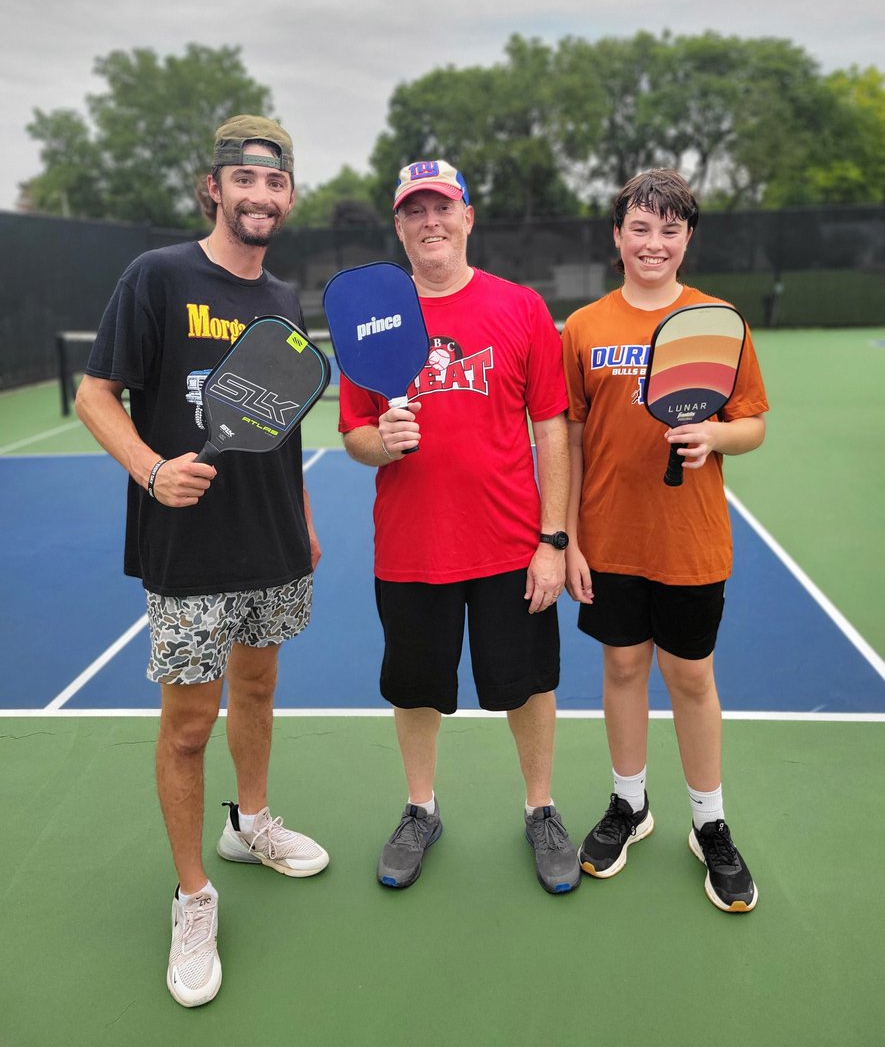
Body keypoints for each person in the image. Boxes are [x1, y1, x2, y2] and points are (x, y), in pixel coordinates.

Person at [76, 115, 329, 1007]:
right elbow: (94, 394)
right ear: (213, 188)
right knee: (187, 727)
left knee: (257, 692)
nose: (261, 196)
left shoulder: (287, 301)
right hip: (187, 553)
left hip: (273, 546)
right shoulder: (158, 277)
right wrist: (149, 469)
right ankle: (193, 896)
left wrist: (300, 519)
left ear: (288, 196)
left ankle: (250, 822)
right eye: (244, 180)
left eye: (276, 183)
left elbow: (283, 423)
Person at [338, 159, 580, 895]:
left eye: (443, 207)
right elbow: (354, 438)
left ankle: (540, 810)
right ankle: (421, 809)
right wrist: (387, 439)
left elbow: (553, 430)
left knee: (528, 685)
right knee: (414, 689)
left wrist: (553, 541)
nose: (430, 222)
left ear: (469, 218)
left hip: (510, 546)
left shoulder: (520, 308)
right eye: (414, 211)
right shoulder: (371, 321)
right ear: (400, 227)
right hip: (412, 548)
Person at [562, 168, 768, 913]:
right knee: (621, 670)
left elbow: (753, 422)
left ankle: (709, 822)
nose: (654, 243)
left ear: (687, 239)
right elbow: (574, 442)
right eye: (640, 228)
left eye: (669, 230)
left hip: (690, 541)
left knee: (690, 680)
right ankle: (629, 804)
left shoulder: (720, 319)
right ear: (617, 236)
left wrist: (715, 434)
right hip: (611, 542)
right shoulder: (583, 328)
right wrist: (572, 539)